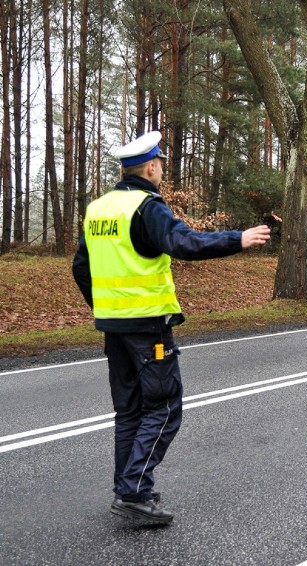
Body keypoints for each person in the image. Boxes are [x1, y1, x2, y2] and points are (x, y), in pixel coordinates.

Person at [72, 131, 271, 525]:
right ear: (149, 167)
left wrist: (107, 309)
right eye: (160, 163)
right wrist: (238, 239)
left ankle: (130, 490)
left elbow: (81, 267)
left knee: (129, 412)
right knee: (164, 409)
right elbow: (184, 243)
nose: (162, 169)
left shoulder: (98, 209)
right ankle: (133, 491)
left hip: (115, 329)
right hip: (149, 327)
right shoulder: (147, 206)